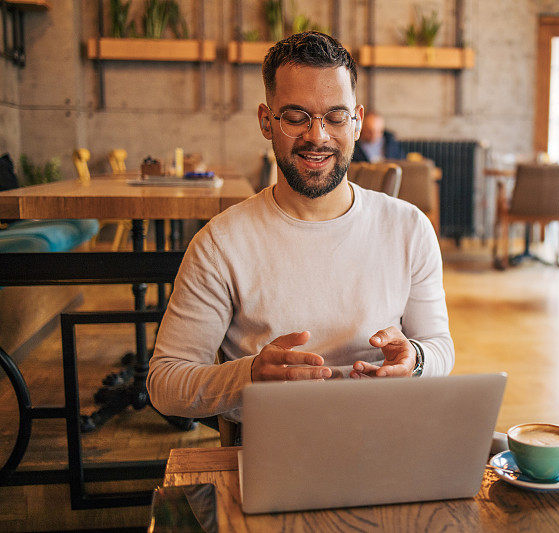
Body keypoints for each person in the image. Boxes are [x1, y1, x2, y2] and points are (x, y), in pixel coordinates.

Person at [146, 31, 454, 423]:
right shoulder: (220, 244)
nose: (317, 136)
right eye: (296, 118)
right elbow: (166, 384)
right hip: (274, 444)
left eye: (335, 117)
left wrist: (418, 358)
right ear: (265, 121)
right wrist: (249, 375)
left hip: (387, 431)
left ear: (357, 121)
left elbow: (439, 346)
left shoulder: (410, 228)